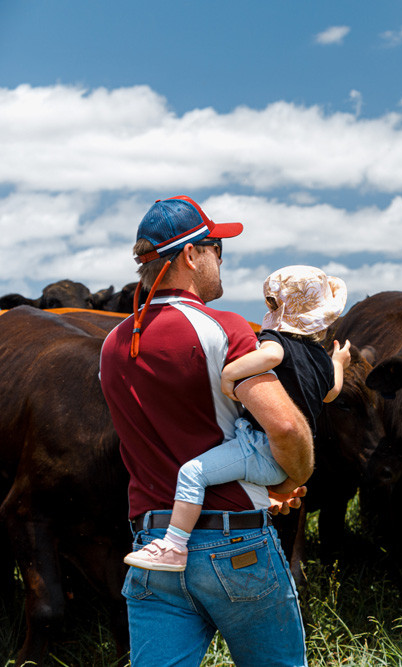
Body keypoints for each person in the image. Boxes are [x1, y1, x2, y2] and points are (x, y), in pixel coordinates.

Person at [100, 196, 315, 666]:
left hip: (154, 546)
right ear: (191, 255)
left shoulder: (113, 344)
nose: (221, 258)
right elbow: (282, 424)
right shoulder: (223, 327)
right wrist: (290, 479)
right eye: (216, 247)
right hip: (234, 543)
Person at [122, 265, 352, 573]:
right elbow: (332, 392)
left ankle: (174, 546)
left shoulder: (276, 339)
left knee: (192, 474)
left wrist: (229, 375)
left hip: (259, 447)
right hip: (289, 457)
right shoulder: (321, 359)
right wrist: (338, 362)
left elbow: (271, 356)